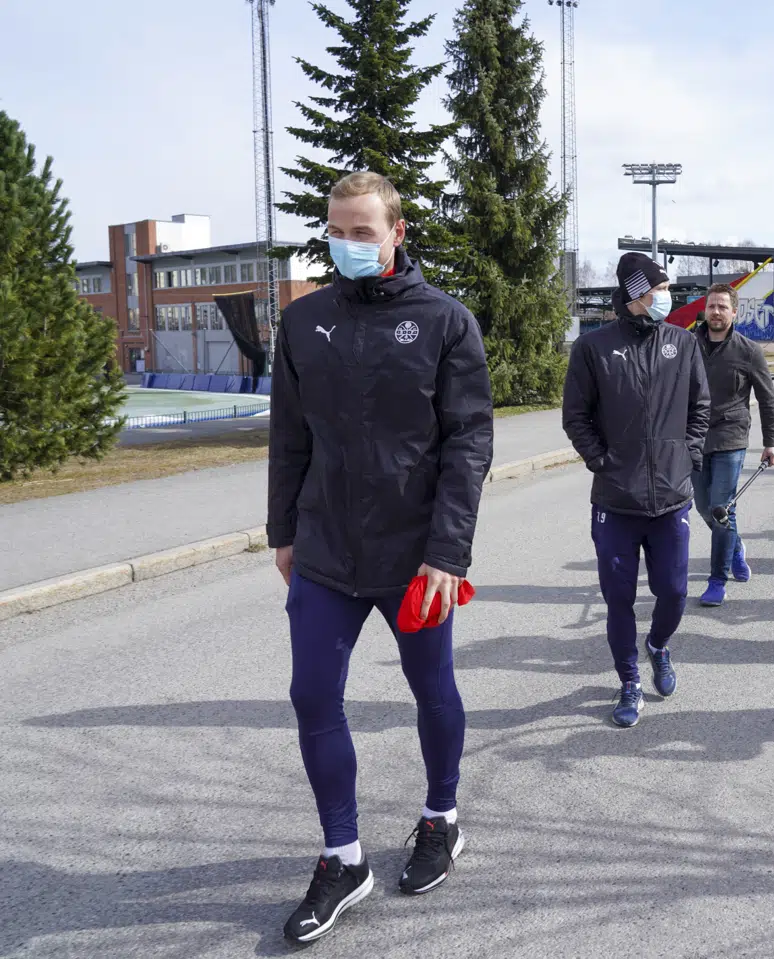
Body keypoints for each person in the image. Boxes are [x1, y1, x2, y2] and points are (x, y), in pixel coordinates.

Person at [268, 171, 493, 942]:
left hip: (416, 554)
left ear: (397, 232)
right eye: (337, 230)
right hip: (327, 546)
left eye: (363, 231)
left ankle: (441, 817)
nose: (347, 243)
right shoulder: (305, 324)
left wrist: (448, 552)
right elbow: (289, 436)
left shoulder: (444, 322)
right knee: (311, 694)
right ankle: (343, 857)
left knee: (432, 687)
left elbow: (469, 442)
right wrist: (281, 531)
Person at [562, 252, 710, 728]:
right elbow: (576, 416)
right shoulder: (594, 347)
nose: (666, 296)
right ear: (634, 294)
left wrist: (688, 456)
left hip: (671, 498)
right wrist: (601, 462)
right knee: (619, 599)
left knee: (674, 593)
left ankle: (659, 646)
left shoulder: (683, 343)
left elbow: (700, 406)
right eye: (658, 288)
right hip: (615, 501)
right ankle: (629, 682)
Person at [691, 283, 774, 607]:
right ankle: (737, 547)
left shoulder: (749, 351)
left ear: (734, 312)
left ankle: (717, 580)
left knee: (720, 509)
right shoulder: (689, 345)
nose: (715, 312)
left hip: (731, 437)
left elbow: (767, 400)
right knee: (704, 507)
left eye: (722, 307)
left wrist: (771, 442)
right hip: (695, 438)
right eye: (711, 306)